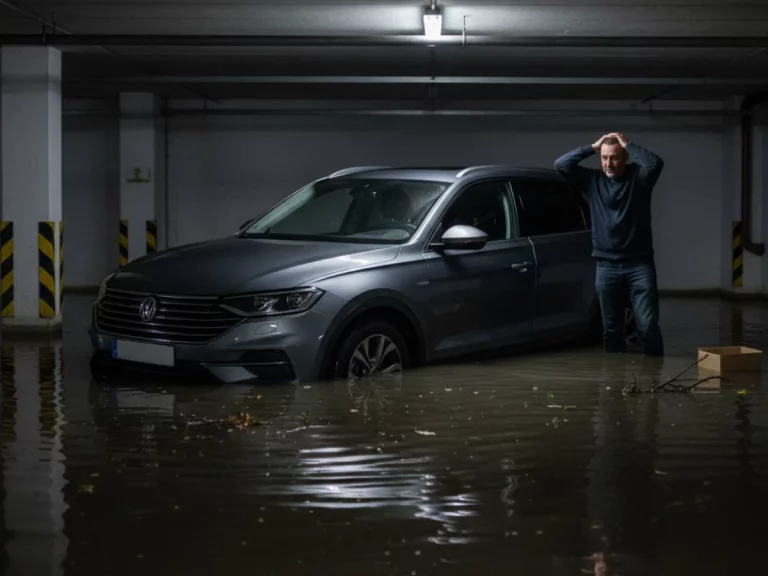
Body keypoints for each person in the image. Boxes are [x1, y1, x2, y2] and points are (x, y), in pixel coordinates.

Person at [554, 132, 665, 356]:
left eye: (614, 157)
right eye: (604, 158)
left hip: (639, 265)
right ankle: (615, 376)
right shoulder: (592, 180)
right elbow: (561, 165)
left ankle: (656, 373)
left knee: (648, 326)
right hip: (606, 267)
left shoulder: (639, 178)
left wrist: (627, 144)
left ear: (625, 158)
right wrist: (592, 147)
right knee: (611, 330)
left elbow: (655, 163)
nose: (608, 163)